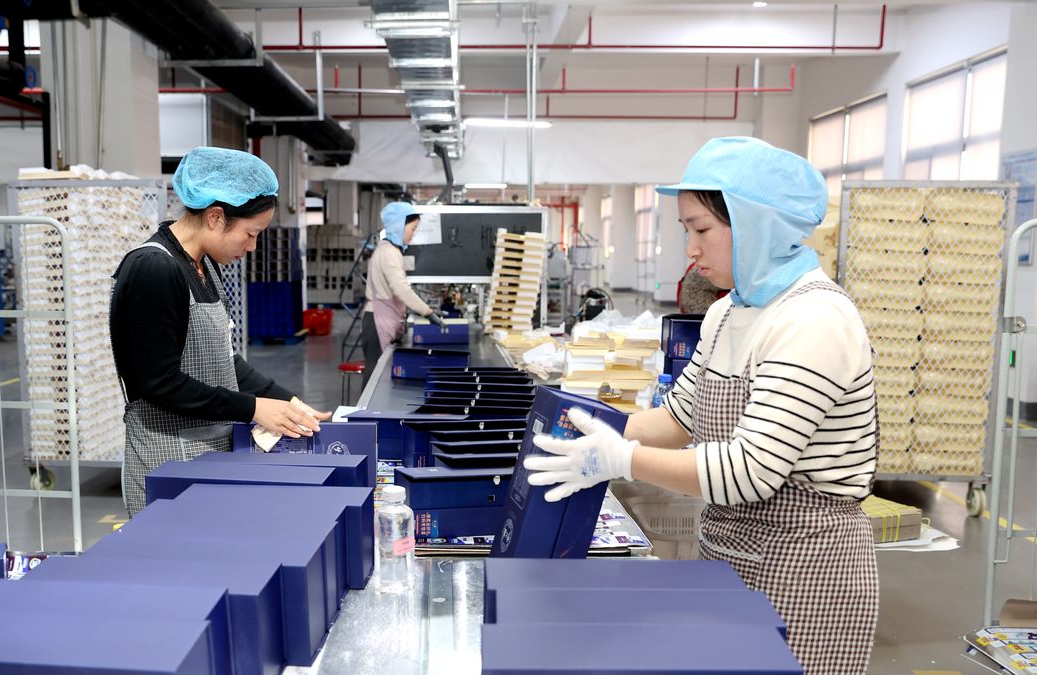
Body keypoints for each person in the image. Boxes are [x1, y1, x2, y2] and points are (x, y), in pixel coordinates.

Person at [524, 137, 878, 674]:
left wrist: (620, 460)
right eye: (686, 230)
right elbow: (676, 418)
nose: (690, 248)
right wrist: (585, 427)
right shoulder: (728, 313)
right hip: (730, 552)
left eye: (701, 229)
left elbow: (750, 472)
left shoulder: (813, 319)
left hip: (804, 569)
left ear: (757, 223)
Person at [110, 146, 331, 515]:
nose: (252, 246)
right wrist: (254, 408)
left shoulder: (203, 266)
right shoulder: (154, 269)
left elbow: (223, 359)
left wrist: (289, 403)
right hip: (168, 459)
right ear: (215, 217)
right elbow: (158, 382)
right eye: (250, 233)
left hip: (206, 449)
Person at [362, 201, 445, 387]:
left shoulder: (390, 250)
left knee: (378, 374)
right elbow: (401, 289)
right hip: (376, 321)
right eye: (412, 229)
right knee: (374, 376)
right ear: (399, 225)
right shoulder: (389, 253)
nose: (413, 234)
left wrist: (426, 309)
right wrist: (428, 312)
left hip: (380, 318)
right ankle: (365, 414)